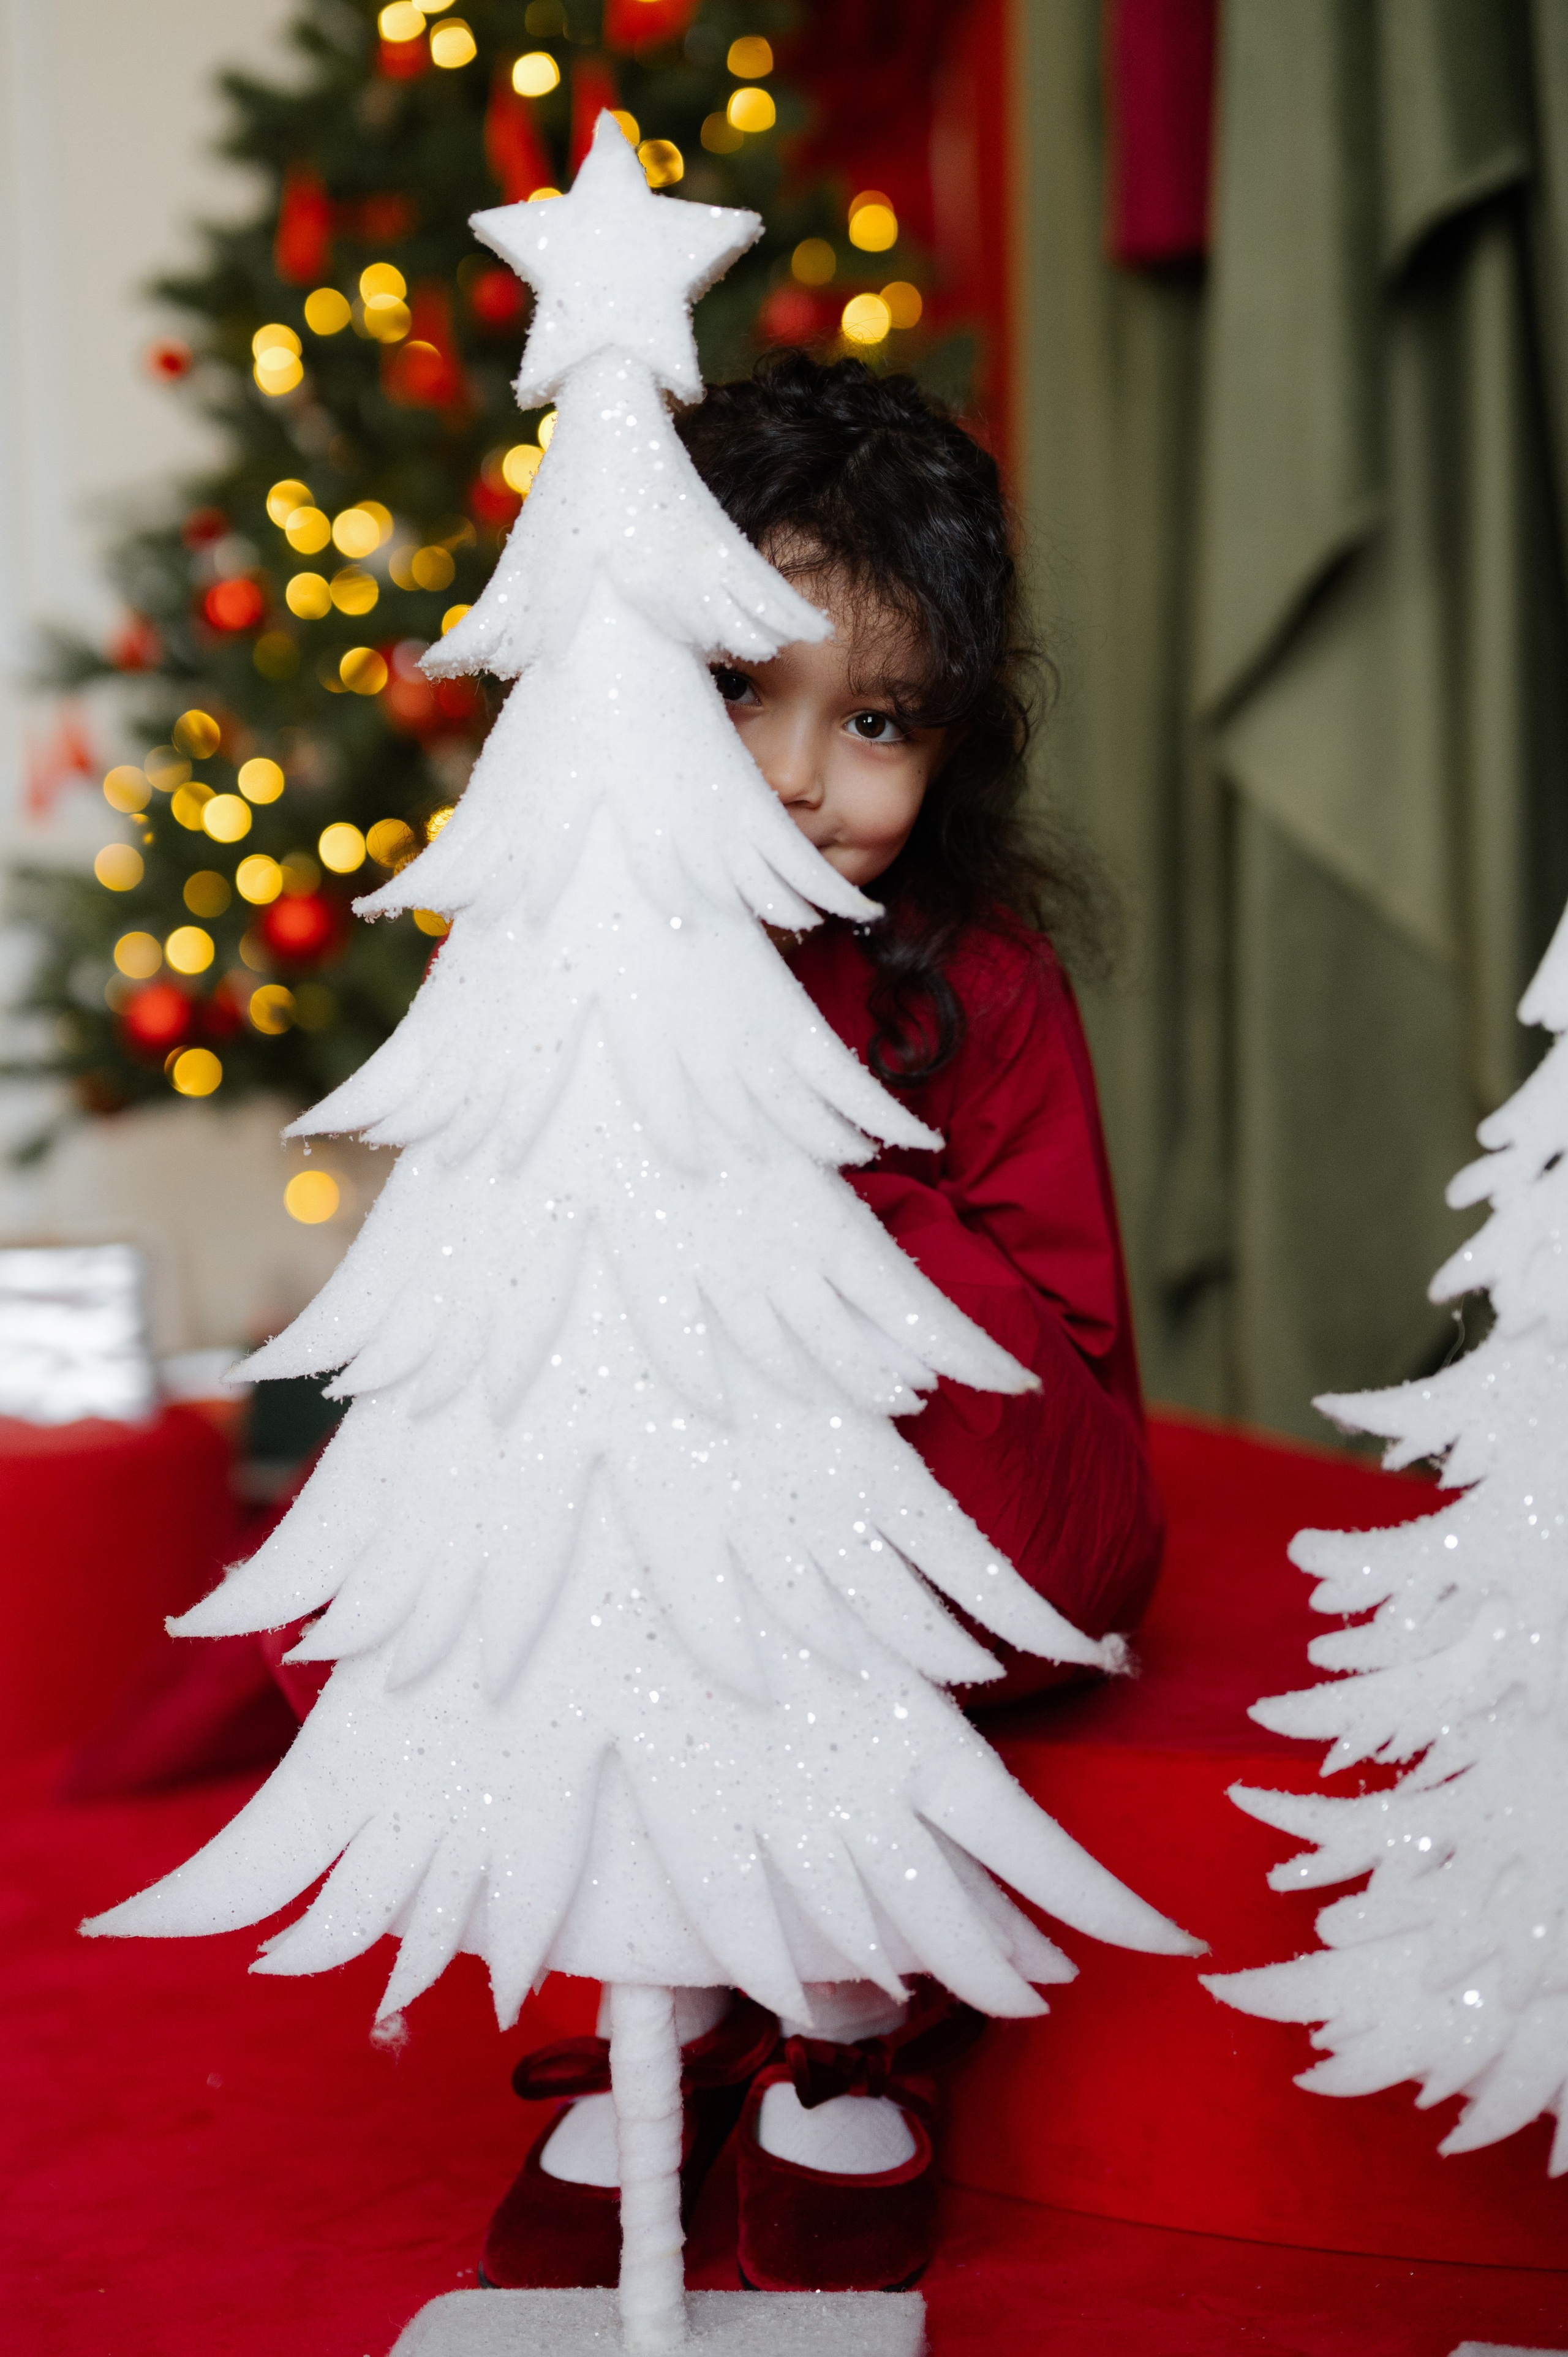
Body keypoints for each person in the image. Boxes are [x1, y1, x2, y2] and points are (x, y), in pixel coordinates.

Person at [482, 349, 1164, 2299]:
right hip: (646, 1468)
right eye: (736, 695)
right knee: (604, 1594)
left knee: (810, 1626)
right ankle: (660, 1998)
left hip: (947, 1475)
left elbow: (1059, 1380)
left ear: (953, 742)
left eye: (876, 721)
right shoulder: (559, 956)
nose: (800, 777)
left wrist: (822, 1167)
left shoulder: (986, 986)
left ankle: (848, 2019)